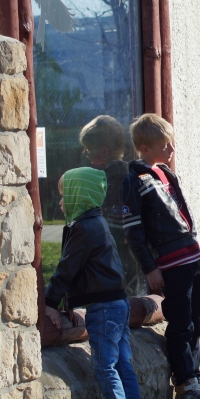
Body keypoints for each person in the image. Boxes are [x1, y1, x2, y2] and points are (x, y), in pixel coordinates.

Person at [122, 114, 200, 399]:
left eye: (171, 142)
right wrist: (150, 268)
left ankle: (196, 377)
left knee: (195, 321)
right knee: (181, 322)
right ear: (144, 148)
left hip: (191, 256)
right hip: (170, 263)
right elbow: (133, 232)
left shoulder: (166, 174)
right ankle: (184, 385)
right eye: (164, 144)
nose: (171, 148)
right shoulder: (136, 180)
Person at [44, 168, 144, 399]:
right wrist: (70, 305)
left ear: (80, 196)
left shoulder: (83, 228)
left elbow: (67, 269)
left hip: (104, 309)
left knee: (105, 366)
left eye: (66, 196)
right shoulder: (95, 223)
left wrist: (50, 302)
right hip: (117, 303)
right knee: (123, 363)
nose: (61, 203)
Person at [79, 115, 145, 295]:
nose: (85, 152)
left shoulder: (114, 179)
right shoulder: (126, 173)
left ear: (103, 151)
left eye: (89, 148)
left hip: (120, 250)